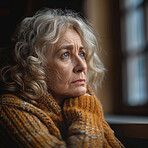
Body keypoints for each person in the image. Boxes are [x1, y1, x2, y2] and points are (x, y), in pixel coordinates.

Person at [0, 8, 124, 148]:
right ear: (35, 63)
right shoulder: (9, 109)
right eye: (66, 54)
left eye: (82, 54)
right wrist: (86, 114)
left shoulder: (77, 102)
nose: (82, 65)